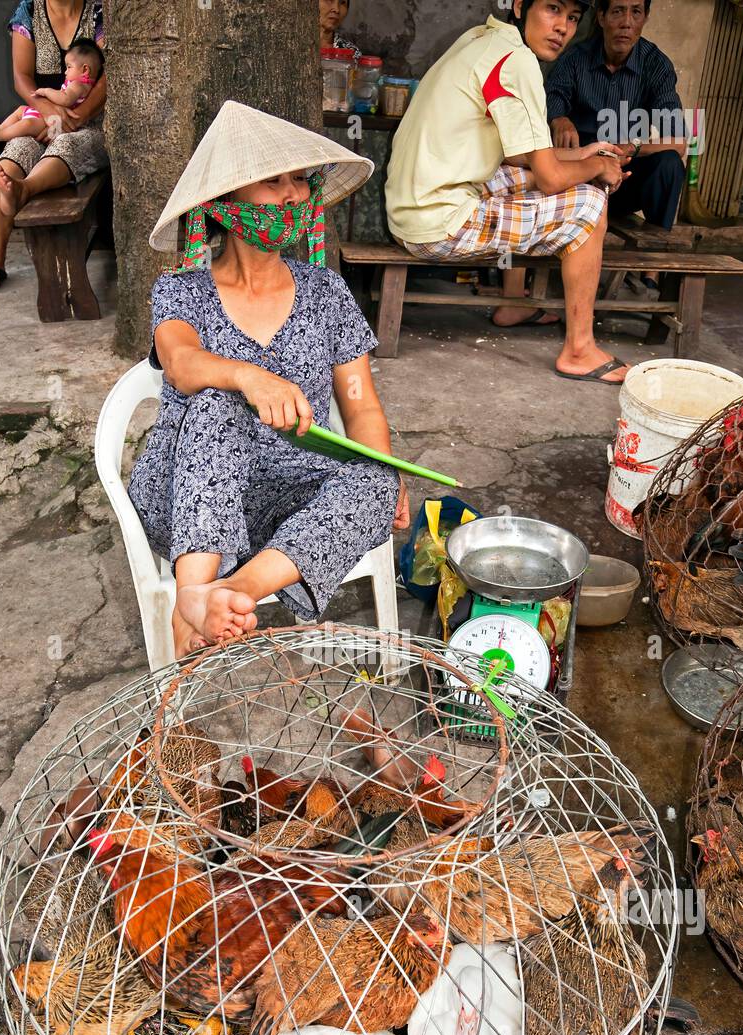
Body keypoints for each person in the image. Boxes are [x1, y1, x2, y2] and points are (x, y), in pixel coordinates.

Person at [130, 101, 409, 657]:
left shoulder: (326, 293)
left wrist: (387, 469)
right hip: (189, 498)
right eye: (272, 182)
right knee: (216, 399)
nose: (292, 196)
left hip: (289, 495)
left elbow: (361, 407)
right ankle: (192, 592)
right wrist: (248, 377)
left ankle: (233, 592)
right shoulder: (180, 290)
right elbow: (181, 364)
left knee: (380, 478)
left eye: (299, 181)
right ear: (224, 202)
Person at [385, 0, 631, 385]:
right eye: (552, 9)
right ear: (520, 5)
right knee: (590, 201)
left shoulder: (479, 39)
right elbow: (550, 178)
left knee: (528, 177)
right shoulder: (518, 61)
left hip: (411, 208)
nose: (562, 27)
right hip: (438, 223)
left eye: (572, 18)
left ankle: (514, 304)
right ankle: (579, 350)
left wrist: (585, 154)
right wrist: (599, 168)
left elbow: (520, 154)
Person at [0, 1, 108, 293]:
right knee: (15, 151)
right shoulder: (29, 12)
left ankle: (23, 189)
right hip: (42, 117)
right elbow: (21, 77)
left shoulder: (98, 11)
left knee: (68, 144)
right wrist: (49, 113)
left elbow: (111, 75)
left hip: (89, 123)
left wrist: (77, 116)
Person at [546, 0, 686, 230]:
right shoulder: (576, 58)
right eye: (618, 11)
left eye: (636, 12)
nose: (626, 23)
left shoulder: (656, 65)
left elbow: (678, 142)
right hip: (581, 178)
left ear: (645, 17)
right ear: (601, 17)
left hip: (625, 176)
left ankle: (656, 249)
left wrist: (629, 148)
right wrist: (558, 118)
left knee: (669, 163)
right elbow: (554, 95)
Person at [0, 38, 103, 145]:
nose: (65, 72)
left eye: (69, 67)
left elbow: (65, 99)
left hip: (50, 120)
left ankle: (0, 135)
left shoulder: (79, 85)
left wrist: (46, 91)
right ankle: (0, 128)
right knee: (20, 110)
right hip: (48, 113)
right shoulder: (79, 83)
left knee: (27, 124)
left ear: (85, 69)